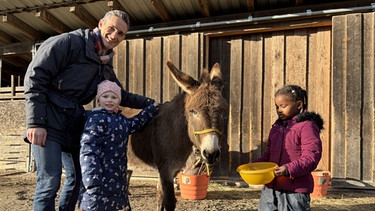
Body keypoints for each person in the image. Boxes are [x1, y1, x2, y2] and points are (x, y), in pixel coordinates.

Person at [24, 10, 156, 211]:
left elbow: (123, 95)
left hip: (74, 123)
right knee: (49, 182)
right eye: (111, 28)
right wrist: (35, 122)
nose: (114, 35)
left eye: (120, 33)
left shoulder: (104, 65)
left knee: (77, 180)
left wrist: (152, 104)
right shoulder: (69, 43)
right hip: (48, 120)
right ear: (101, 24)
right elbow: (35, 76)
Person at [79, 80, 158, 211]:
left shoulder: (121, 120)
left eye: (114, 97)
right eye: (105, 96)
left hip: (116, 180)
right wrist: (91, 179)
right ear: (98, 99)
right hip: (98, 181)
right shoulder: (96, 120)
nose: (109, 100)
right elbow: (88, 151)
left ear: (119, 100)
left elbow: (136, 122)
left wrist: (151, 109)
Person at [253, 85, 324, 211]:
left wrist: (288, 169)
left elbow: (311, 157)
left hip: (294, 192)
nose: (279, 110)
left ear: (299, 105)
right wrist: (253, 166)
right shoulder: (276, 128)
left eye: (283, 106)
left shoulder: (307, 127)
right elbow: (269, 155)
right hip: (270, 189)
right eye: (277, 107)